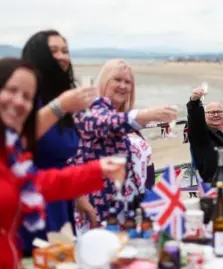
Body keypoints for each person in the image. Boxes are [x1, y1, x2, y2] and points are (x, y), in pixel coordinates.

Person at [0, 58, 122, 269]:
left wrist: (97, 170)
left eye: (27, 97)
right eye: (11, 90)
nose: (19, 101)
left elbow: (37, 184)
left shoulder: (3, 145)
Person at [70, 59, 177, 232]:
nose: (123, 86)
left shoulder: (125, 118)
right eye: (117, 79)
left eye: (128, 82)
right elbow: (106, 124)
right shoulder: (92, 111)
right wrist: (147, 114)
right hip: (101, 213)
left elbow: (144, 168)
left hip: (130, 213)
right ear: (104, 81)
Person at [19, 29, 98, 256]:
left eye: (65, 51)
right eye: (53, 51)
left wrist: (79, 196)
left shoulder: (62, 99)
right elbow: (16, 141)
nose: (62, 56)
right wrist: (60, 106)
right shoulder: (25, 97)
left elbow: (62, 158)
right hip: (30, 201)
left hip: (60, 199)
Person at [187, 88, 223, 184]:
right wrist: (194, 102)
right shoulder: (202, 135)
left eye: (219, 112)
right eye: (211, 112)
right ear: (204, 115)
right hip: (216, 183)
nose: (216, 115)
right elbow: (195, 120)